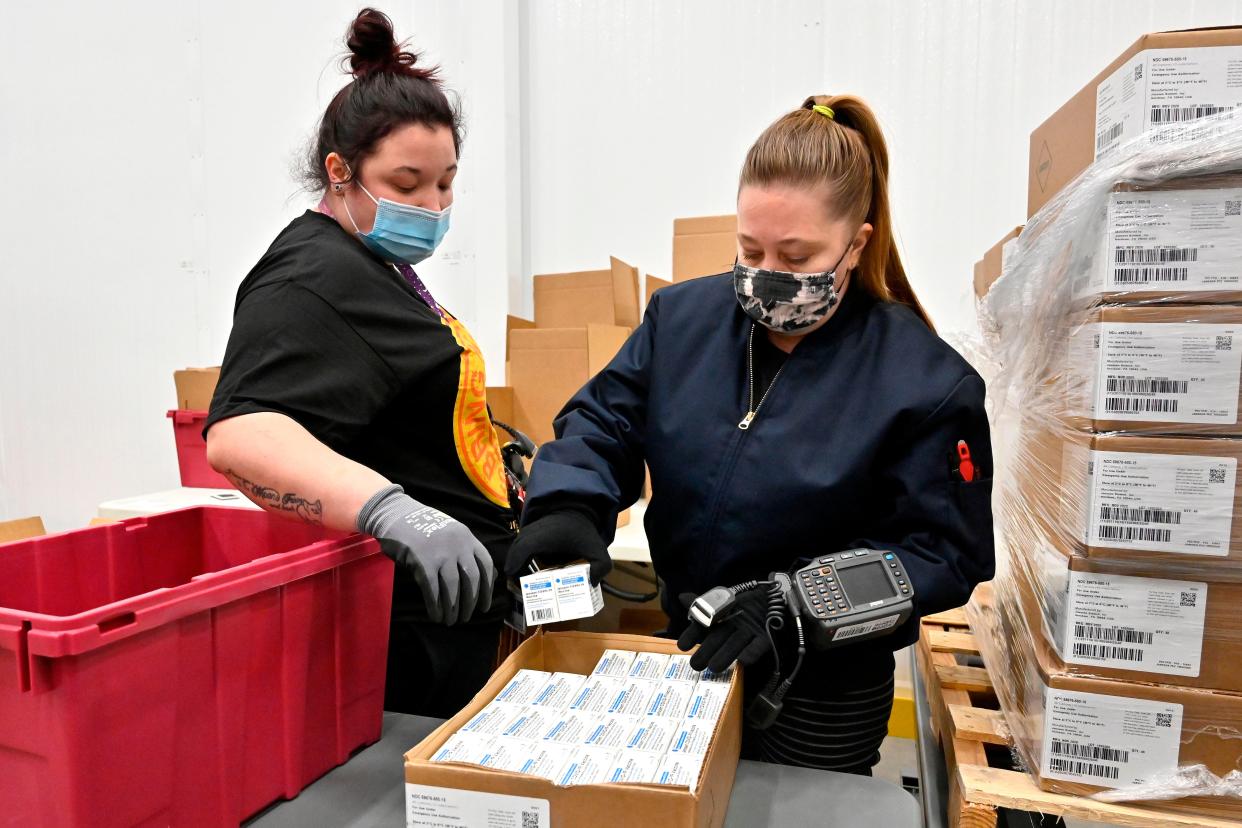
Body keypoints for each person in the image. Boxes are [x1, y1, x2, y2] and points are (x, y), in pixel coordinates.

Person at [505, 95, 995, 774]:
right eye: (749, 248)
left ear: (855, 243)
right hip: (694, 656)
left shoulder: (923, 382)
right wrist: (566, 506)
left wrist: (793, 603)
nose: (767, 274)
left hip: (820, 698)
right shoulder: (682, 322)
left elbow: (942, 553)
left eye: (796, 256)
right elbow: (606, 419)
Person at [204, 8, 513, 717]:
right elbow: (240, 434)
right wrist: (393, 512)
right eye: (407, 184)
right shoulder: (309, 278)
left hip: (450, 612)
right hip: (398, 631)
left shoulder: (375, 264)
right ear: (340, 172)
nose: (434, 207)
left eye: (446, 183)